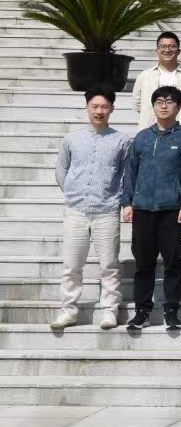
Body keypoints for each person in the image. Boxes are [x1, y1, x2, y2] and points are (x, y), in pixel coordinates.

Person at [51, 88, 130, 330]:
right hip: (76, 211)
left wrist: (119, 200)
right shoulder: (71, 140)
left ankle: (110, 311)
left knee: (109, 266)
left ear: (112, 109)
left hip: (107, 211)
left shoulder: (122, 141)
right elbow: (61, 170)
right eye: (94, 106)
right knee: (71, 266)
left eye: (104, 106)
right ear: (86, 108)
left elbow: (126, 174)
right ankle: (69, 310)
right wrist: (72, 193)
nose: (99, 111)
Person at [122, 87, 181, 331]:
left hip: (173, 211)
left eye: (169, 101)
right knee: (143, 263)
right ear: (153, 106)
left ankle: (171, 310)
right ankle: (142, 311)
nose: (163, 105)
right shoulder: (142, 138)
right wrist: (127, 202)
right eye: (159, 101)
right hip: (143, 209)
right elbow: (130, 172)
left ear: (178, 106)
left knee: (173, 262)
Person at [133, 32, 181, 129]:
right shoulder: (143, 76)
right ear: (157, 51)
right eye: (163, 46)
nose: (167, 50)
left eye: (172, 46)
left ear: (179, 51)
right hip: (150, 131)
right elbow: (137, 105)